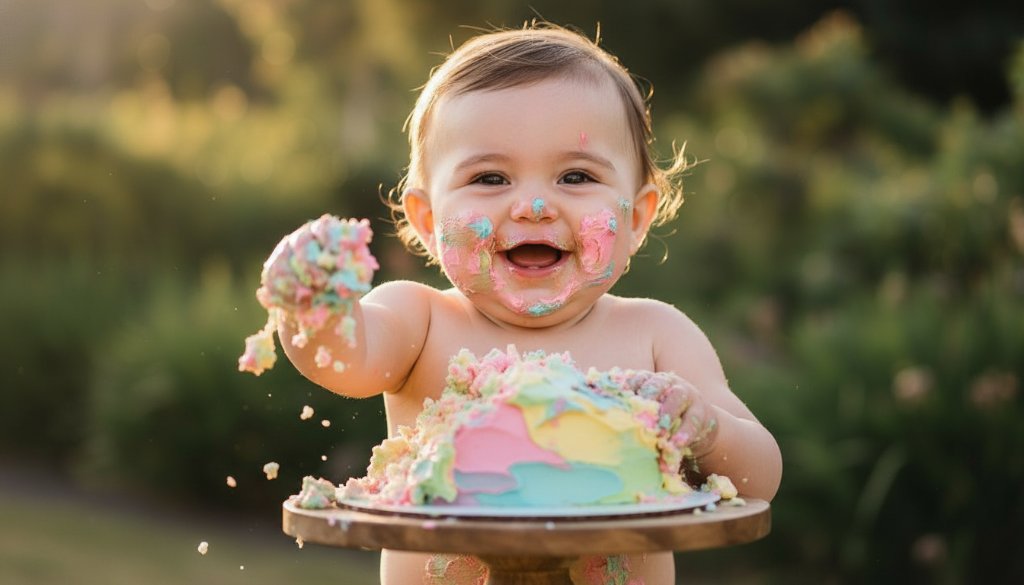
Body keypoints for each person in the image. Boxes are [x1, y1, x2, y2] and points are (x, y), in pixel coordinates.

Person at [270, 22, 782, 585]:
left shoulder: (657, 336)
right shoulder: (420, 321)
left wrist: (707, 430)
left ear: (635, 219)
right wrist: (310, 307)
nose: (534, 205)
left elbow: (759, 477)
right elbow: (339, 358)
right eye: (490, 177)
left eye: (575, 175)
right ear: (428, 219)